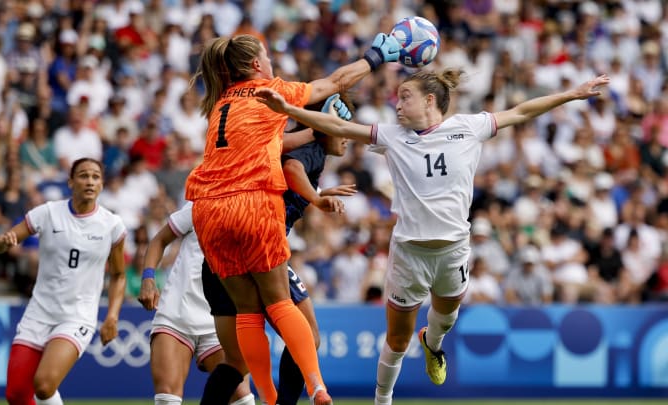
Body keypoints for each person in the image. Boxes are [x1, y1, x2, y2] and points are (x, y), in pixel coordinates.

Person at [255, 70, 610, 404]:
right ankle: (382, 400)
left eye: (404, 97)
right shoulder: (392, 135)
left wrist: (572, 94)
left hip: (454, 250)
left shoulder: (469, 127)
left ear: (429, 100)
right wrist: (287, 110)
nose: (397, 104)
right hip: (409, 252)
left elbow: (521, 111)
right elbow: (337, 125)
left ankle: (432, 343)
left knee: (444, 321)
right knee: (395, 338)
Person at [183, 33, 399, 405]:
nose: (271, 63)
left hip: (208, 211)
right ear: (255, 65)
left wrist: (315, 129)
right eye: (267, 56)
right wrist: (376, 57)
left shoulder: (221, 105)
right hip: (252, 205)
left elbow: (274, 145)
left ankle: (268, 396)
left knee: (246, 325)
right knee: (282, 305)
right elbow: (335, 83)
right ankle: (316, 386)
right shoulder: (268, 92)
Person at [199, 97, 356, 405]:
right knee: (309, 335)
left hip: (220, 254)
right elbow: (293, 167)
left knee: (236, 361)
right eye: (342, 126)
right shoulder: (311, 151)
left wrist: (317, 193)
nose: (347, 135)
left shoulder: (285, 145)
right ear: (323, 123)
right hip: (262, 249)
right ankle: (297, 396)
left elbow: (280, 178)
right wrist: (315, 197)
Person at [0, 158, 127, 405]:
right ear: (70, 182)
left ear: (102, 184)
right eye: (84, 175)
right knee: (16, 395)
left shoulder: (112, 225)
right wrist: (2, 243)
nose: (90, 181)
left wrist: (112, 317)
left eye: (96, 176)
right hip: (38, 314)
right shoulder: (48, 212)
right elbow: (5, 241)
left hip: (76, 316)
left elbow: (118, 275)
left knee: (43, 385)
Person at [136, 201, 254, 405]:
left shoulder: (257, 211)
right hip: (177, 312)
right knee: (167, 398)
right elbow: (159, 240)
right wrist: (148, 278)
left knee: (242, 398)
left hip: (221, 318)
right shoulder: (203, 203)